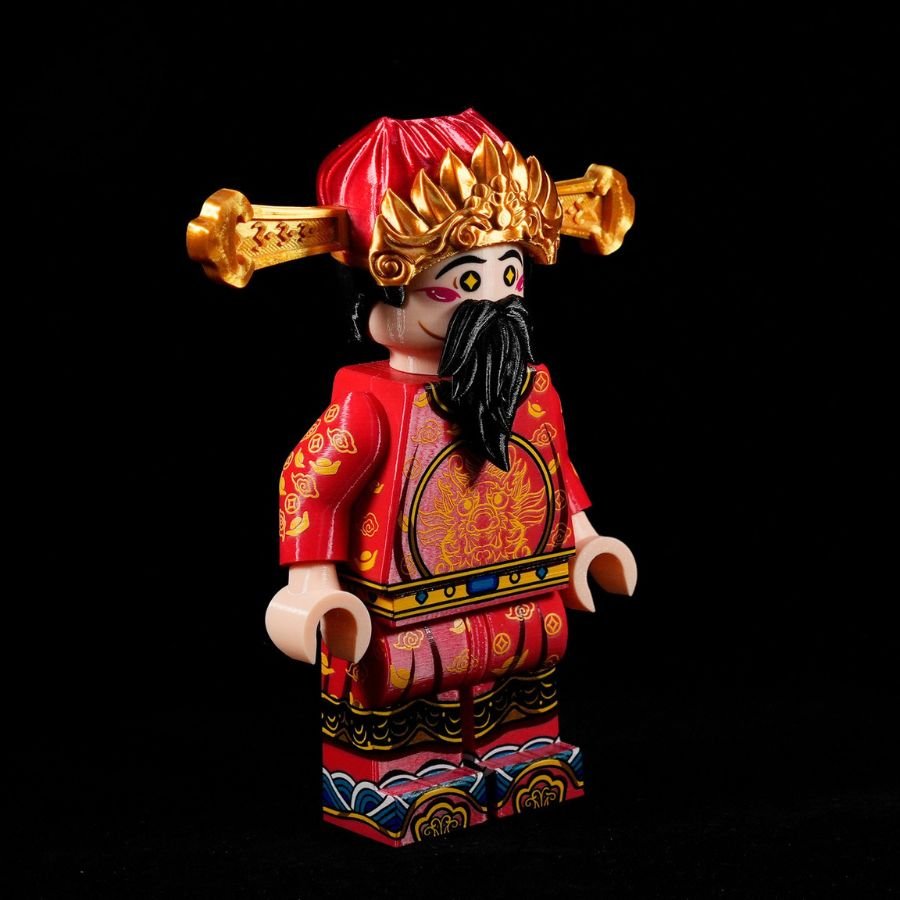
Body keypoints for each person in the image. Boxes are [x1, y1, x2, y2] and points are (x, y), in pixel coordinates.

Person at [189, 109, 637, 846]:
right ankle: (400, 780)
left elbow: (552, 465)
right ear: (381, 297)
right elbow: (311, 483)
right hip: (402, 612)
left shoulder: (526, 391)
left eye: (509, 273)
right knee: (404, 685)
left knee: (525, 670)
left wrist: (586, 540)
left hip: (521, 590)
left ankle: (521, 756)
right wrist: (312, 585)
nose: (494, 300)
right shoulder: (372, 405)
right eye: (462, 282)